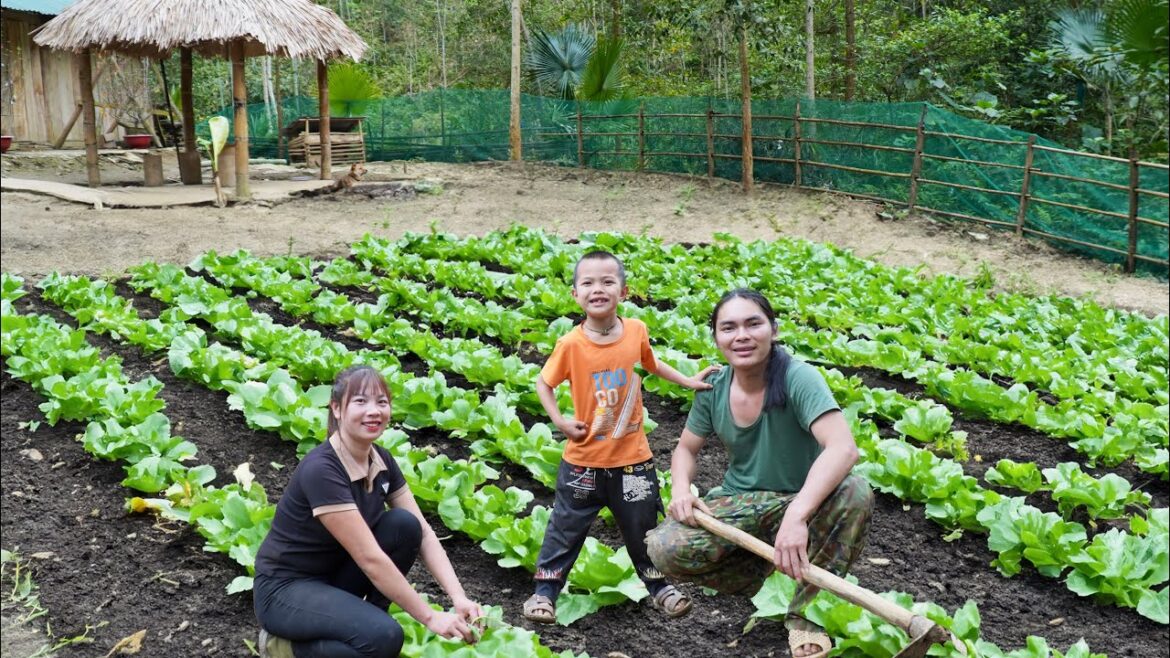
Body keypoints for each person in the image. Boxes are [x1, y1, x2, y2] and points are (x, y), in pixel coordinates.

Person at [646, 289, 874, 658]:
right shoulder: (713, 387)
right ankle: (771, 577)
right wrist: (681, 490)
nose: (742, 336)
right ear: (717, 338)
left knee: (856, 491)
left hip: (803, 500)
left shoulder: (799, 378)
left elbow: (843, 448)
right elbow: (686, 449)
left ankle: (806, 616)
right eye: (729, 327)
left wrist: (798, 516)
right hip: (742, 502)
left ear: (774, 329)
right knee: (664, 548)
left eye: (754, 324)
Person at [522, 250, 718, 624]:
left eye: (608, 282)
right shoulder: (570, 345)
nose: (599, 289)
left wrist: (688, 380)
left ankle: (659, 588)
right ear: (575, 295)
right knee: (565, 530)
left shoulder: (637, 331)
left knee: (642, 528)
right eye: (589, 283)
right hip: (583, 464)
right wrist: (560, 421)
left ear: (624, 292)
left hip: (633, 463)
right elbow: (543, 384)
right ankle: (543, 595)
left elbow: (651, 363)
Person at [253, 365, 483, 658]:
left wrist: (458, 597)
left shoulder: (381, 459)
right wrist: (429, 616)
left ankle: (367, 622)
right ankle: (281, 646)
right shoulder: (323, 469)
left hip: (334, 580)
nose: (373, 411)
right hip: (286, 590)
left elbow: (423, 533)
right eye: (360, 401)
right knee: (385, 637)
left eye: (381, 402)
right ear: (336, 409)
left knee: (404, 525)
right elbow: (369, 558)